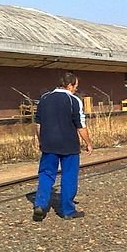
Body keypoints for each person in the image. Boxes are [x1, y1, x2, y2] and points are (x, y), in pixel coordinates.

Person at [32, 72, 93, 221]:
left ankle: (40, 205)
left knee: (46, 174)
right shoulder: (74, 100)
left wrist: (41, 141)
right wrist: (88, 142)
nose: (75, 90)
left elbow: (38, 124)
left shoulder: (44, 99)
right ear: (69, 85)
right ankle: (67, 210)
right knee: (69, 175)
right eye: (75, 87)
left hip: (49, 144)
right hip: (69, 144)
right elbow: (80, 125)